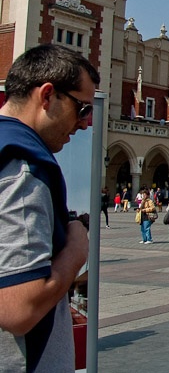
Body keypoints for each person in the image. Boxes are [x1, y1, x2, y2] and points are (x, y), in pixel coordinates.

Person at [0, 44, 99, 372]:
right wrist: (75, 252)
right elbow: (19, 310)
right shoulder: (24, 168)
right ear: (47, 96)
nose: (86, 123)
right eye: (82, 109)